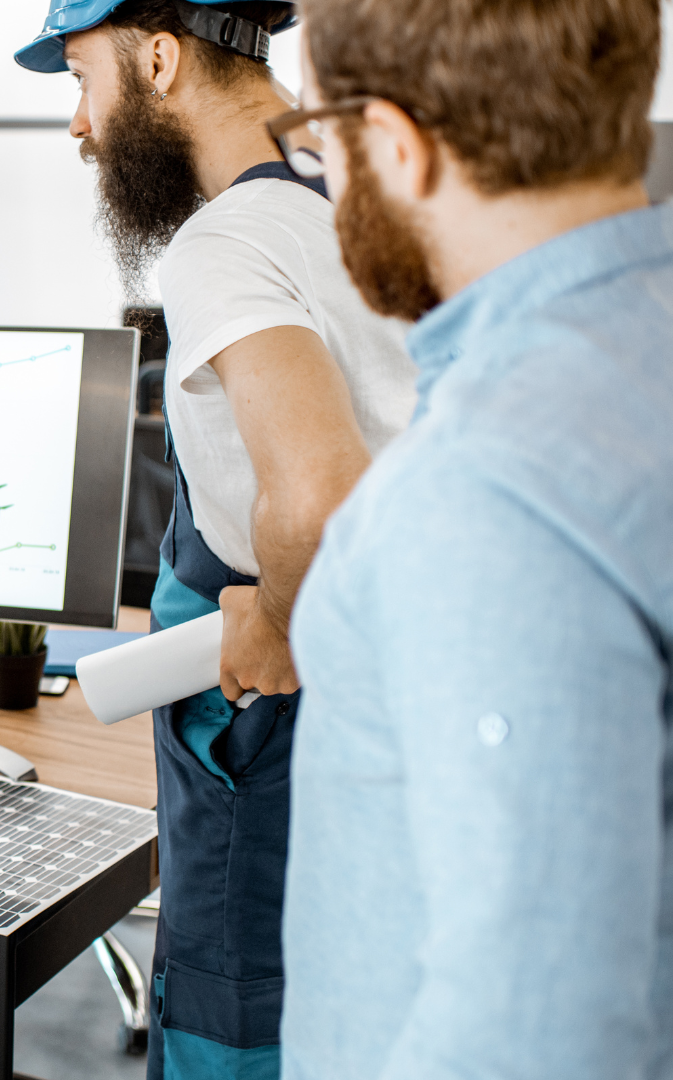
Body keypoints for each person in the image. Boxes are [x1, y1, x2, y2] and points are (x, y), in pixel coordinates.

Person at [15, 1, 417, 1075]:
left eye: (81, 77)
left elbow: (319, 498)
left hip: (271, 702)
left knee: (238, 996)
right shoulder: (385, 179)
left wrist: (274, 620)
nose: (79, 124)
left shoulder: (229, 239)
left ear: (159, 58)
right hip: (397, 663)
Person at [279, 0, 669, 1075]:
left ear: (397, 146)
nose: (329, 180)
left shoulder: (480, 493)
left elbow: (536, 1033)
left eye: (323, 145)